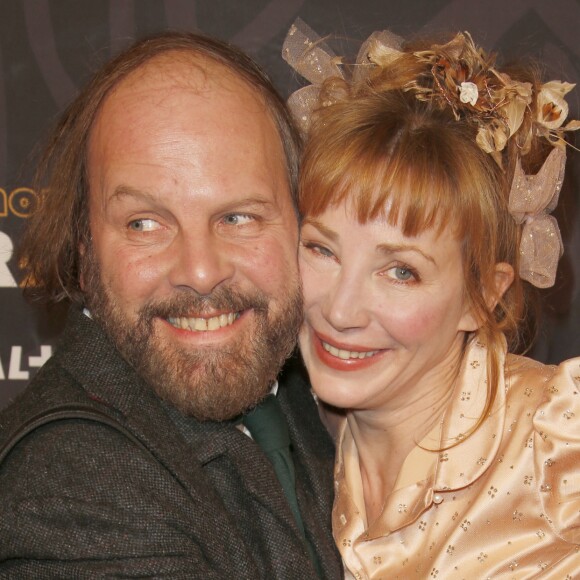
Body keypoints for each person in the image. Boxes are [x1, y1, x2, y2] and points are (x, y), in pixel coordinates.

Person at [0, 31, 342, 578]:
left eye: (238, 217)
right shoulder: (70, 491)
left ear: (303, 225)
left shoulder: (320, 397)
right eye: (145, 224)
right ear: (85, 249)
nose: (201, 272)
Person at [284, 21, 580, 578]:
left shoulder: (557, 437)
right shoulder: (284, 442)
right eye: (322, 249)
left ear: (484, 296)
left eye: (401, 271)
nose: (341, 311)